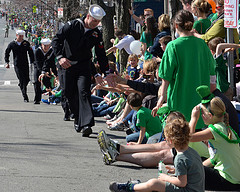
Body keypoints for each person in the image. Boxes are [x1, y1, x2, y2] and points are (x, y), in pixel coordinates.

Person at [151, 10, 216, 132]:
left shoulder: (173, 46)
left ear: (176, 25)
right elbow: (212, 70)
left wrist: (161, 98)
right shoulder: (202, 44)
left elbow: (166, 77)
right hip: (200, 103)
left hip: (179, 103)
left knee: (177, 138)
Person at [51, 4, 109, 137]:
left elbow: (101, 54)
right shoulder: (72, 25)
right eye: (94, 21)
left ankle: (87, 124)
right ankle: (78, 118)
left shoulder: (96, 33)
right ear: (88, 16)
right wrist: (60, 57)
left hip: (84, 66)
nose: (96, 24)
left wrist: (106, 72)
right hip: (67, 64)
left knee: (84, 92)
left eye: (98, 22)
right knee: (69, 93)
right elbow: (56, 40)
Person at [109, 117, 205, 192]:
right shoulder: (191, 151)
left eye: (166, 138)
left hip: (187, 190)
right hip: (197, 189)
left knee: (154, 183)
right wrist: (175, 170)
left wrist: (166, 178)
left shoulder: (180, 157)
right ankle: (139, 187)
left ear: (170, 141)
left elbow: (182, 183)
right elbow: (191, 170)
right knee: (159, 184)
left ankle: (129, 187)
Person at [190, 93, 240, 191]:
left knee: (192, 165)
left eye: (202, 114)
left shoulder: (215, 129)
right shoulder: (226, 128)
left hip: (227, 181)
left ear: (209, 115)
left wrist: (193, 119)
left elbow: (189, 138)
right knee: (195, 166)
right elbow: (213, 159)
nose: (202, 116)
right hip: (234, 182)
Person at [5, 30, 34, 102]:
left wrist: (32, 62)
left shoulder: (26, 43)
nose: (21, 37)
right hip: (17, 64)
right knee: (22, 79)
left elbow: (31, 53)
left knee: (27, 79)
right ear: (16, 35)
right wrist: (7, 62)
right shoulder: (12, 44)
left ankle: (21, 85)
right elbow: (7, 52)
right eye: (19, 36)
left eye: (22, 36)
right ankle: (25, 96)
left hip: (25, 63)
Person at [33, 38, 57, 104]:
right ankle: (37, 99)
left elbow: (52, 63)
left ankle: (51, 98)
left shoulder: (52, 51)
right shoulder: (37, 51)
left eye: (47, 45)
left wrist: (55, 73)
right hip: (38, 68)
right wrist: (42, 72)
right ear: (41, 44)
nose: (46, 47)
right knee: (36, 82)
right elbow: (38, 63)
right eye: (44, 45)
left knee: (49, 82)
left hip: (48, 68)